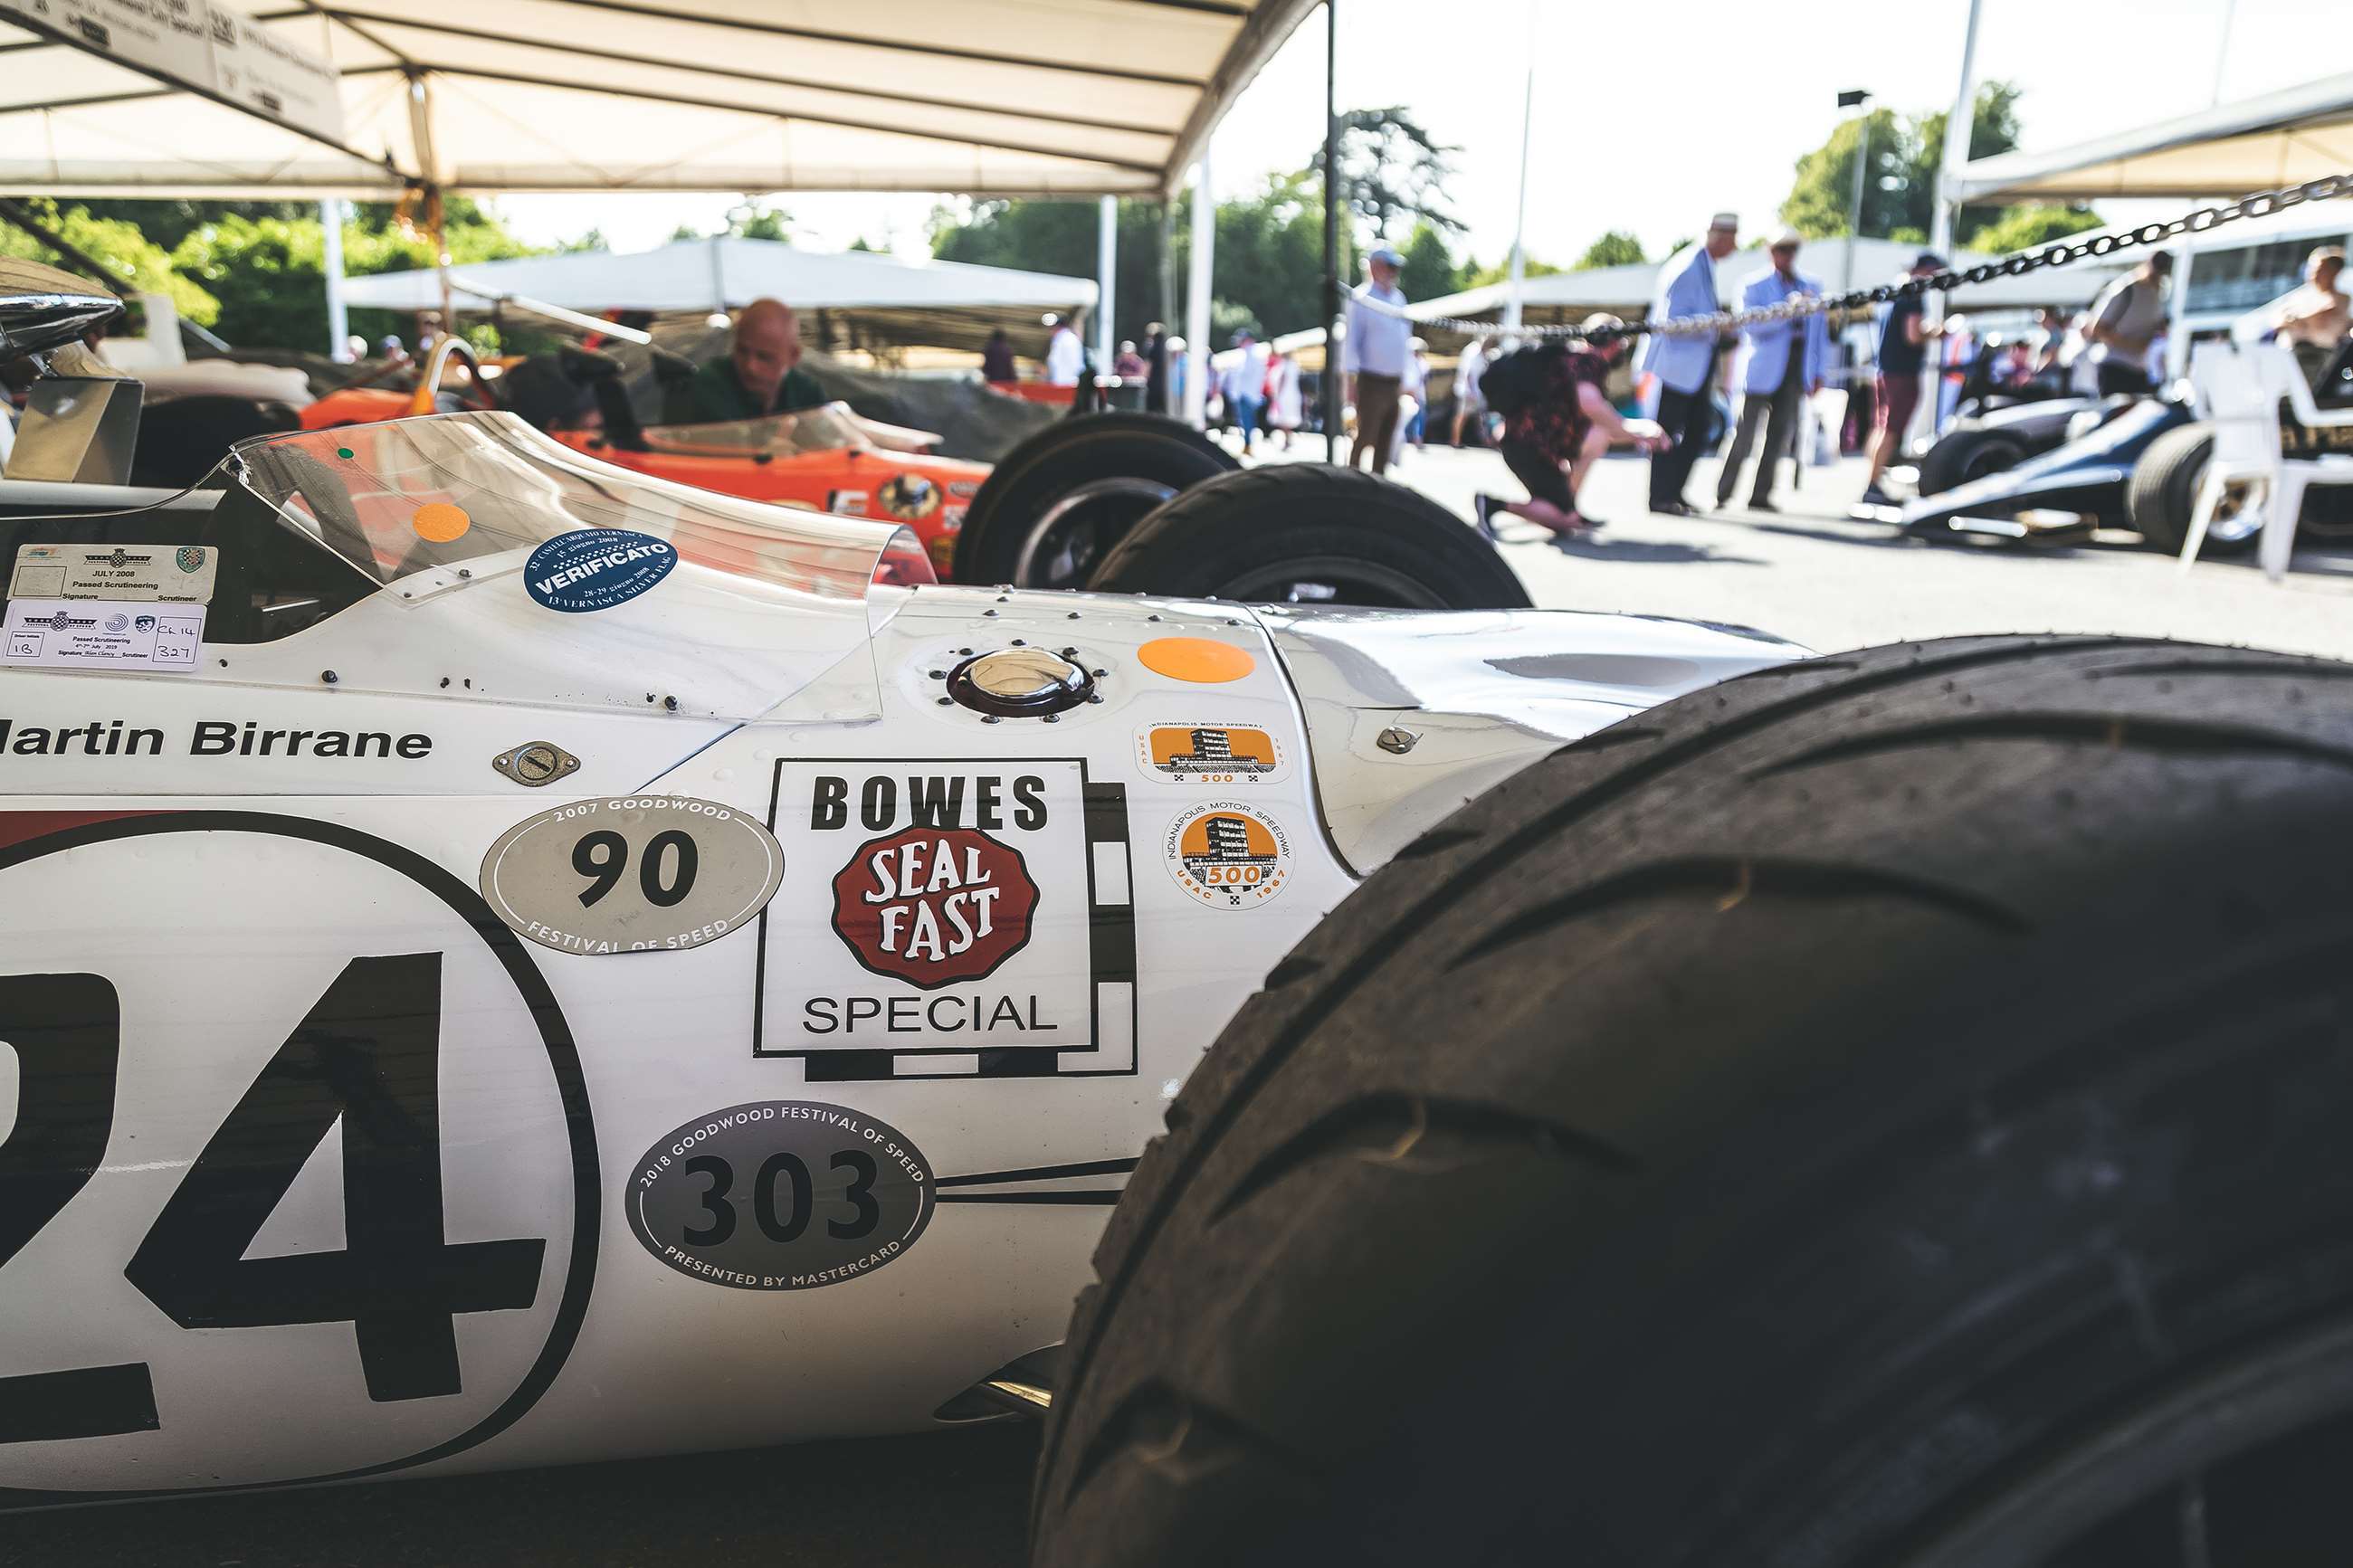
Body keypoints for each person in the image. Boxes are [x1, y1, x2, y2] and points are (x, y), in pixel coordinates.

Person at [1473, 316, 1671, 538]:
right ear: (1613, 343)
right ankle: (1493, 504)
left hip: (1529, 444)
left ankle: (1566, 508)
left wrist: (1632, 433)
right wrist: (1635, 430)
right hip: (1528, 448)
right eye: (1622, 343)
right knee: (1565, 520)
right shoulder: (1587, 362)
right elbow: (1590, 402)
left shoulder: (1570, 357)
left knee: (1600, 436)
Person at [1715, 231, 1828, 513]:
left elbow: (1820, 334)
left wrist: (1818, 372)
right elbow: (1751, 327)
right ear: (1770, 251)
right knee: (1744, 435)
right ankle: (1723, 493)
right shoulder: (1752, 285)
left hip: (1796, 368)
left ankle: (1761, 495)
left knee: (1779, 436)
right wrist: (1788, 311)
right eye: (1781, 249)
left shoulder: (1811, 285)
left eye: (1791, 249)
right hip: (1761, 370)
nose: (1786, 255)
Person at [1642, 213, 1739, 516]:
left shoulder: (1701, 264)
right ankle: (1660, 496)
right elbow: (1675, 322)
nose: (1734, 247)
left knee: (1696, 431)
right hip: (1678, 367)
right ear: (1720, 237)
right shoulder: (1688, 267)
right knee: (1669, 433)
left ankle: (1674, 492)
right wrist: (1716, 326)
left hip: (1692, 368)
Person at [1860, 252, 1948, 508]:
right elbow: (1913, 335)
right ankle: (1873, 484)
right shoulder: (1912, 295)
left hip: (1885, 369)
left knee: (1880, 428)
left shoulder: (1894, 292)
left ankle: (1872, 480)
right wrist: (1936, 331)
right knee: (1891, 430)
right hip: (1901, 371)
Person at [671, 298, 825, 424]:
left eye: (764, 357)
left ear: (794, 356)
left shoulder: (808, 393)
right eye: (742, 351)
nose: (750, 366)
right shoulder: (706, 386)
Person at [1344, 245, 1412, 473]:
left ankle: (1379, 482)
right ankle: (1351, 477)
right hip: (1371, 379)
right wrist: (1351, 382)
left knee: (1386, 438)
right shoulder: (1362, 298)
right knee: (1365, 434)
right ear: (1375, 267)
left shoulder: (1398, 298)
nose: (1393, 272)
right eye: (1389, 267)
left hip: (1393, 380)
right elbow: (1352, 341)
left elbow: (1404, 341)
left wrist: (1405, 379)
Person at [2082, 252, 2172, 397]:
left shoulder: (2158, 293)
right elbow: (2095, 329)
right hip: (2115, 367)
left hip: (2141, 369)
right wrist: (2131, 345)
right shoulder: (2125, 288)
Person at [2271, 246, 2349, 386]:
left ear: (2335, 272)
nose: (2314, 274)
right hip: (2288, 355)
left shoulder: (2343, 299)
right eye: (2311, 269)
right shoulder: (2298, 297)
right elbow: (2277, 322)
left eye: (2320, 270)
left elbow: (2322, 318)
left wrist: (2299, 319)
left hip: (2320, 358)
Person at [1219, 329, 1269, 449]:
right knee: (1244, 422)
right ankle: (1247, 445)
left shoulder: (1253, 355)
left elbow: (1248, 377)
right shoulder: (1247, 355)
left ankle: (1247, 445)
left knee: (1247, 422)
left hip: (1247, 395)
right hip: (1245, 395)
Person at [1452, 337, 1490, 446]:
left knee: (1478, 417)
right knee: (1462, 415)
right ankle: (1455, 440)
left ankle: (1485, 441)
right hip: (1469, 391)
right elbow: (1468, 374)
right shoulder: (1472, 351)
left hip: (1476, 391)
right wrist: (1471, 391)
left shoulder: (1480, 352)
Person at [1266, 347, 1302, 450]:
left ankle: (1287, 441)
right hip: (1291, 395)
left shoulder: (1284, 365)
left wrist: (1277, 396)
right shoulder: (1293, 365)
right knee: (1286, 421)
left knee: (1284, 420)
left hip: (1285, 396)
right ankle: (1287, 440)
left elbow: (1283, 379)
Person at [1044, 313, 1083, 386]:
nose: (1050, 330)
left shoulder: (1069, 339)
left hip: (1068, 385)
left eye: (1052, 327)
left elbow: (1076, 365)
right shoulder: (1059, 340)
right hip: (1061, 384)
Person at [1143, 321, 1170, 413]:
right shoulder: (1167, 350)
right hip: (1165, 385)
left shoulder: (1152, 349)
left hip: (1154, 384)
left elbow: (1148, 367)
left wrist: (1144, 377)